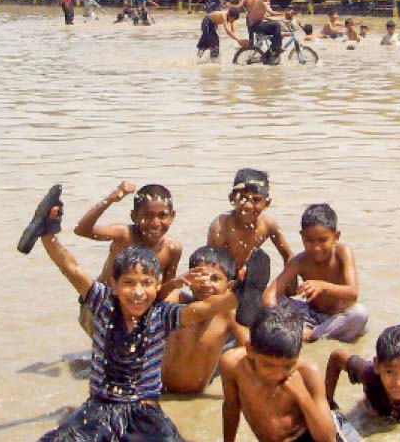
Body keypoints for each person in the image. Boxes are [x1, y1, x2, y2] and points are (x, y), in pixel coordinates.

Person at [20, 188, 237, 441]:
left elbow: (205, 309)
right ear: (113, 284)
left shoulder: (162, 313)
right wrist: (48, 232)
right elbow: (70, 267)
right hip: (100, 406)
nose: (137, 292)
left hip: (145, 411)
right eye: (129, 283)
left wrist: (245, 290)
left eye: (146, 283)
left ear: (157, 286)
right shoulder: (102, 303)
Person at [73, 181, 183, 337]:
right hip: (101, 304)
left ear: (172, 216)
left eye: (162, 215)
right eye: (147, 216)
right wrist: (111, 198)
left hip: (136, 306)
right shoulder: (124, 235)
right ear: (134, 216)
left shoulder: (172, 249)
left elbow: (163, 291)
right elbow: (82, 230)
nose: (155, 223)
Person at [219, 304, 343, 442]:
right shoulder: (233, 366)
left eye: (287, 366)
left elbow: (329, 439)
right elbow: (231, 408)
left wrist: (302, 395)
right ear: (250, 350)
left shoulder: (307, 372)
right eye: (267, 365)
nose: (277, 375)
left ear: (299, 352)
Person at [263, 203, 368, 343]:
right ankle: (309, 332)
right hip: (310, 315)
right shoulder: (300, 261)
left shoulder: (343, 252)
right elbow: (270, 294)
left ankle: (311, 335)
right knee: (277, 301)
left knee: (359, 314)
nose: (316, 248)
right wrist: (273, 319)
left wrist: (323, 286)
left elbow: (353, 293)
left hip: (339, 317)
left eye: (323, 240)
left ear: (336, 237)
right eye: (309, 241)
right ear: (302, 237)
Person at [207, 168, 293, 324]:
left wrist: (287, 289)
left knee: (262, 261)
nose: (247, 206)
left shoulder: (268, 225)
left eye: (256, 200)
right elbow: (210, 267)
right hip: (225, 282)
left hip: (250, 282)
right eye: (243, 198)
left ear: (267, 203)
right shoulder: (221, 226)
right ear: (232, 198)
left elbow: (288, 256)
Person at [162, 246, 247, 393]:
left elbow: (250, 349)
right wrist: (174, 283)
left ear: (229, 286)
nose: (206, 283)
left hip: (195, 395)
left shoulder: (228, 315)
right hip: (162, 391)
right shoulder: (177, 301)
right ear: (189, 278)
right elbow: (153, 303)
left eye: (215, 279)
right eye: (199, 276)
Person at [233, 0, 283, 64]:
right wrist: (285, 13)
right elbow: (271, 12)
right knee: (276, 26)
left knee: (256, 40)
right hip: (256, 23)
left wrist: (230, 6)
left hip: (251, 21)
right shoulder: (259, 0)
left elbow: (238, 6)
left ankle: (265, 51)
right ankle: (273, 50)